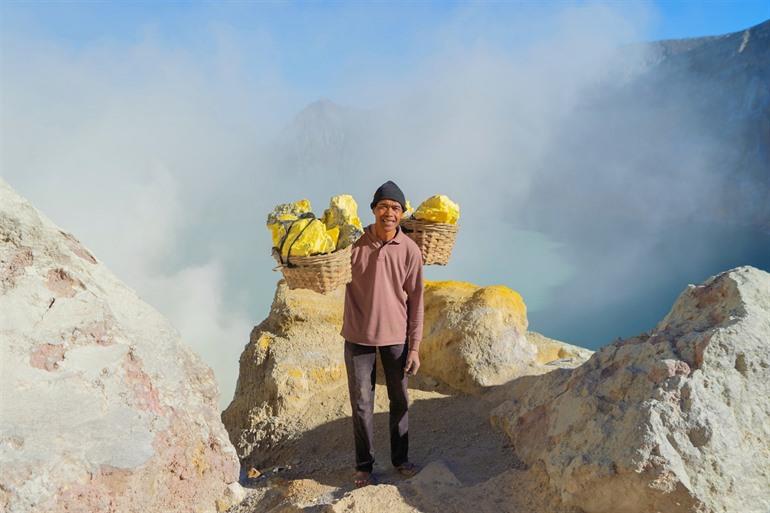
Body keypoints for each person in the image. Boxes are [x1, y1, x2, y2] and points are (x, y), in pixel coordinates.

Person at [340, 180, 425, 488]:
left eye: (396, 208)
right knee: (362, 403)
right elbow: (330, 271)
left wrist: (414, 347)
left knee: (399, 399)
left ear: (402, 214)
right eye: (384, 206)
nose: (389, 212)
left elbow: (416, 301)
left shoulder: (410, 251)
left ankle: (400, 460)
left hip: (396, 338)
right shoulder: (353, 244)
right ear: (374, 209)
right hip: (357, 335)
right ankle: (364, 466)